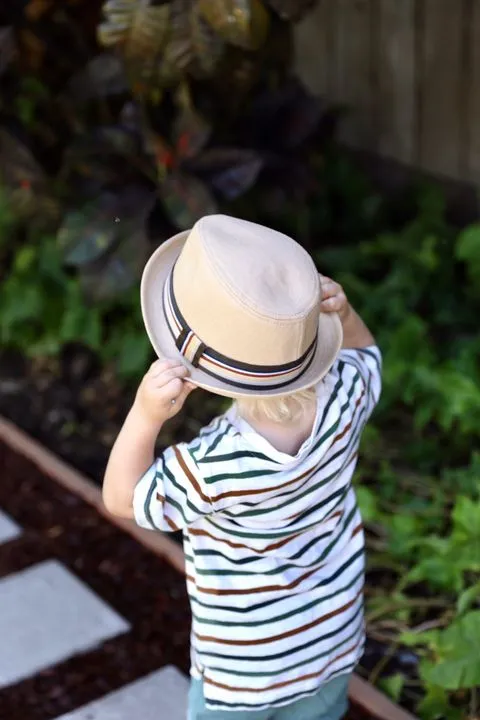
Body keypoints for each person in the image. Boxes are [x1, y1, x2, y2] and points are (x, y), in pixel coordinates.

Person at [103, 215, 382, 720]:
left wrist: (144, 416)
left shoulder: (213, 467)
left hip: (246, 672)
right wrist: (348, 314)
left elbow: (122, 499)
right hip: (331, 639)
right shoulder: (348, 392)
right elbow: (368, 354)